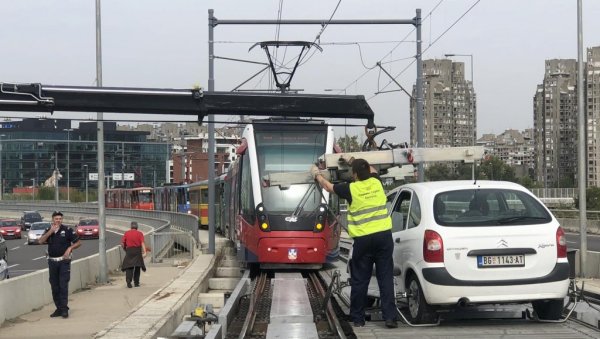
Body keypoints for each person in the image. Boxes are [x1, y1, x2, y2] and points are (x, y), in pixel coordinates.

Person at [311, 159, 398, 328]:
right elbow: (372, 168)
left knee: (360, 280)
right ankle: (390, 318)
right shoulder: (377, 182)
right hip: (384, 238)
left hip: (364, 240)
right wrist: (352, 159)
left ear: (355, 174)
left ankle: (358, 318)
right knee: (385, 278)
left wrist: (317, 174)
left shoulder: (350, 188)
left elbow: (328, 187)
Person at [38, 211, 81, 319]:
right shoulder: (49, 230)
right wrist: (50, 232)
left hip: (64, 262)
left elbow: (78, 242)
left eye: (60, 219)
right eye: (56, 218)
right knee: (54, 286)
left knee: (63, 285)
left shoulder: (67, 230)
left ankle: (64, 309)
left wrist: (70, 248)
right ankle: (59, 308)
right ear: (52, 219)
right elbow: (40, 241)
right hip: (52, 262)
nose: (58, 220)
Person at [121, 221, 147, 288]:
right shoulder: (140, 233)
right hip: (137, 251)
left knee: (129, 266)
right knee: (137, 267)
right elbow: (142, 243)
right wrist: (145, 252)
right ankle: (136, 283)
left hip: (129, 251)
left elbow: (122, 244)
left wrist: (125, 249)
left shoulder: (126, 233)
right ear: (137, 227)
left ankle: (128, 281)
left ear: (131, 227)